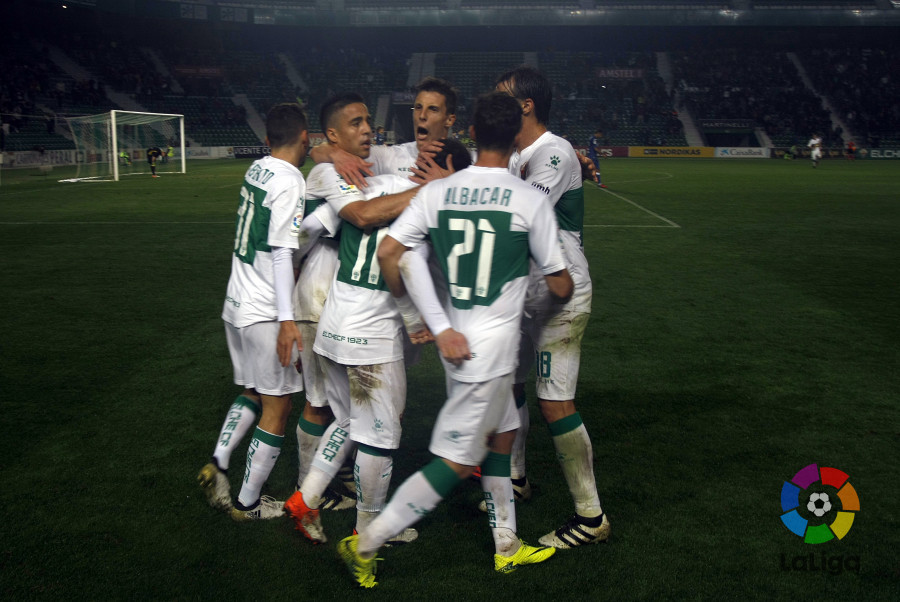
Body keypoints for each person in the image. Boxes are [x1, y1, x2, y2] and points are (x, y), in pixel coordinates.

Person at [337, 91, 572, 589]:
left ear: (472, 135)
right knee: (456, 461)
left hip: (462, 345)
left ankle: (507, 545)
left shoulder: (439, 192)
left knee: (503, 436)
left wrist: (436, 323)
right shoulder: (526, 197)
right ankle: (368, 540)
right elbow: (560, 284)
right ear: (513, 138)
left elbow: (393, 253)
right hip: (487, 352)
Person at [284, 93, 424, 544]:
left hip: (336, 315)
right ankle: (370, 531)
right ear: (331, 134)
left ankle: (305, 499)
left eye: (369, 121)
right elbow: (360, 220)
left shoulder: (372, 169)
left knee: (346, 422)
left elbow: (309, 229)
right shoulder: (337, 173)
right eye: (357, 123)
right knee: (376, 432)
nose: (368, 129)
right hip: (354, 319)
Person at [495, 65, 610, 549]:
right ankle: (518, 478)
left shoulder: (555, 152)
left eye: (503, 99)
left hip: (563, 289)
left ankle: (591, 517)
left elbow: (520, 215)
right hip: (530, 291)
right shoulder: (518, 155)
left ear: (526, 106)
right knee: (513, 384)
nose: (494, 105)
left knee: (553, 400)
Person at [196, 103, 310, 520]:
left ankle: (220, 462)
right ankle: (248, 502)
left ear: (266, 140)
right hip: (264, 310)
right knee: (277, 406)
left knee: (251, 392)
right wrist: (286, 319)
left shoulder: (256, 169)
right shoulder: (291, 180)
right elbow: (282, 253)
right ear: (306, 138)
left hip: (235, 302)